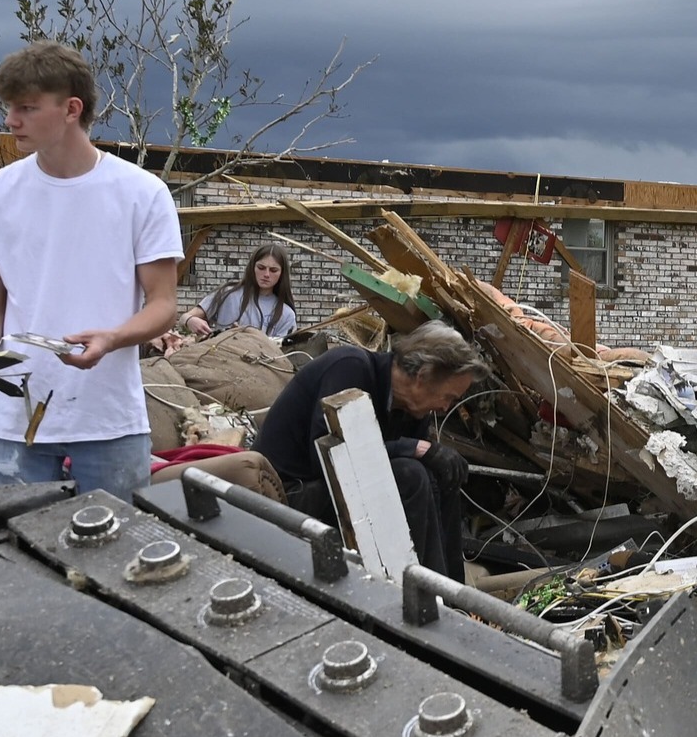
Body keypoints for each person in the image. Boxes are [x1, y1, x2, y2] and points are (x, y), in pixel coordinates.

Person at [0, 41, 182, 501]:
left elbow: (162, 306)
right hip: (16, 423)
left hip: (108, 420)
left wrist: (112, 339)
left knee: (116, 555)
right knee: (17, 559)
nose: (10, 120)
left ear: (71, 109)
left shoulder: (141, 193)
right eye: (9, 107)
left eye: (27, 107)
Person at [253, 321, 491, 579]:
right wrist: (412, 447)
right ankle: (416, 592)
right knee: (409, 475)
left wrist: (423, 453)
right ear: (423, 376)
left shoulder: (412, 407)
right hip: (289, 494)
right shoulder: (350, 367)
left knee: (442, 472)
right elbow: (324, 458)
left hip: (334, 494)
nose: (446, 407)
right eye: (448, 397)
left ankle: (451, 596)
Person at [183, 243, 300, 340]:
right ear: (252, 267)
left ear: (282, 273)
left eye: (273, 270)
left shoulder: (286, 314)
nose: (266, 274)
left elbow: (283, 355)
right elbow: (184, 318)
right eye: (261, 268)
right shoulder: (228, 294)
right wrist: (190, 320)